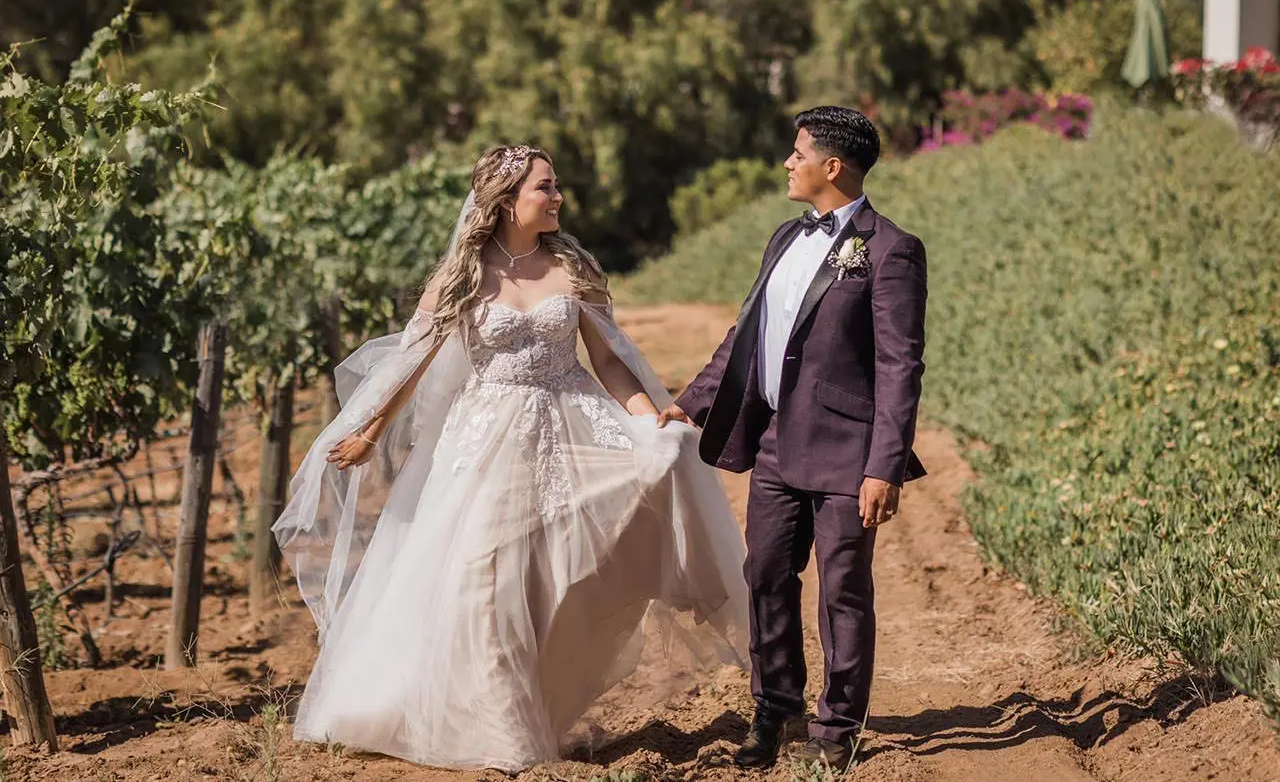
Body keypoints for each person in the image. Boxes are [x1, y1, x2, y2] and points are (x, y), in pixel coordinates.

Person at [273, 145, 748, 772]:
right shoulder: (463, 275)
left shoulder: (574, 266)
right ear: (505, 200)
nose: (557, 198)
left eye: (555, 187)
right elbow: (413, 360)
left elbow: (606, 359)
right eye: (545, 188)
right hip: (487, 436)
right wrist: (370, 428)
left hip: (571, 422)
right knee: (482, 579)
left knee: (550, 574)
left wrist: (644, 417)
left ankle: (540, 699)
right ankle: (495, 730)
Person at [658, 106, 928, 770]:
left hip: (849, 453)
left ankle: (837, 733)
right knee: (766, 575)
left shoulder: (891, 250)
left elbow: (900, 364)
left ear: (831, 167)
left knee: (843, 591)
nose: (787, 162)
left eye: (797, 152)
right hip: (776, 444)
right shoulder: (784, 237)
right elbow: (745, 335)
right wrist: (690, 403)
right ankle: (774, 712)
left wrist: (884, 467)